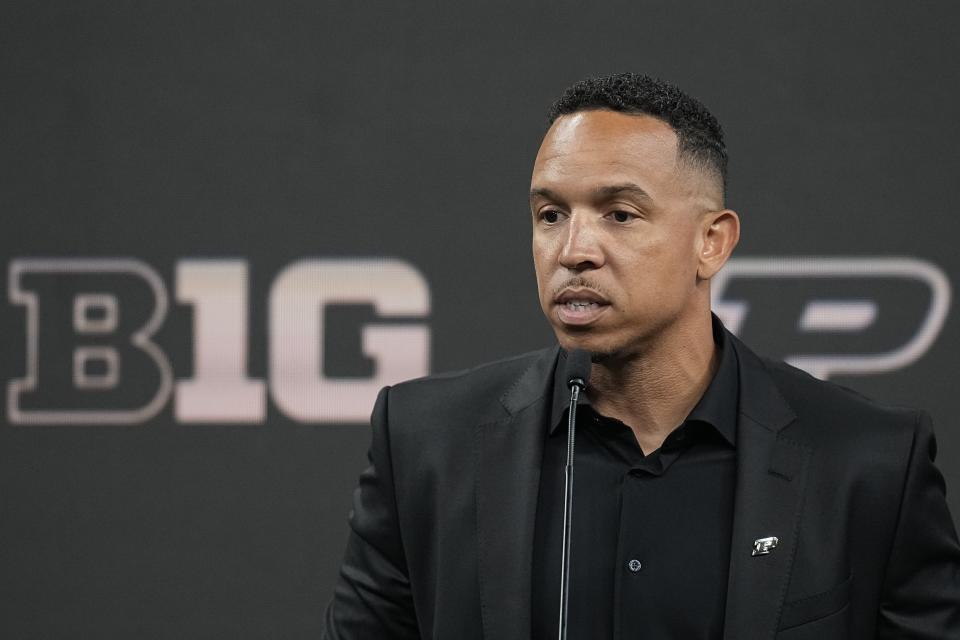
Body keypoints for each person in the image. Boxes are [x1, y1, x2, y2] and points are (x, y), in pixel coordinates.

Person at [321, 73, 960, 639]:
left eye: (620, 214)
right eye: (549, 214)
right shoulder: (424, 442)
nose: (573, 249)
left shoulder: (870, 461)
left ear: (712, 242)